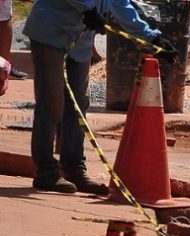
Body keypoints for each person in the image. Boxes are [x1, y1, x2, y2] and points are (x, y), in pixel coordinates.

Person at [23, 0, 167, 194]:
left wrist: (152, 38)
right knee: (52, 102)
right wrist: (88, 8)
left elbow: (121, 5)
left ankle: (74, 170)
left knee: (78, 105)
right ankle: (46, 172)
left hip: (80, 44)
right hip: (51, 31)